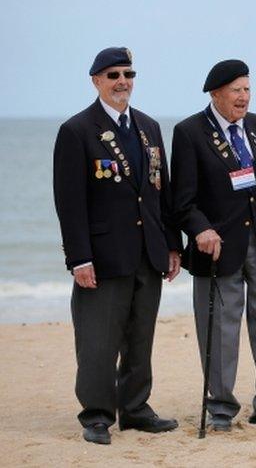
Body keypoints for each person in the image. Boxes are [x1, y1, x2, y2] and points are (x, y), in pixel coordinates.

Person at [53, 47, 182, 445]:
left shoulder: (148, 127)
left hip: (148, 253)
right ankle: (95, 416)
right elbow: (69, 202)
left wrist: (172, 246)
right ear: (95, 81)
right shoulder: (77, 130)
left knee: (140, 337)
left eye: (128, 73)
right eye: (112, 75)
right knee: (98, 342)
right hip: (104, 257)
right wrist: (80, 258)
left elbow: (162, 192)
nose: (122, 81)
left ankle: (136, 409)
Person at [170, 59, 256, 432]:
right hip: (218, 248)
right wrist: (200, 230)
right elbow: (181, 201)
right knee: (220, 332)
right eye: (236, 91)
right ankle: (221, 409)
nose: (243, 97)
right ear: (216, 94)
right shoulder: (190, 132)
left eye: (247, 89)